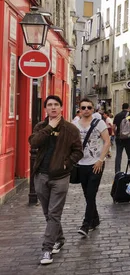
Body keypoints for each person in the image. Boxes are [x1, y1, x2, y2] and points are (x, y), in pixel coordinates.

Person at [29, 95, 83, 265]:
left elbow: (78, 151)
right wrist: (49, 128)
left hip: (60, 177)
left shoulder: (70, 129)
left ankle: (47, 249)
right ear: (45, 108)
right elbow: (34, 143)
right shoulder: (41, 126)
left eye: (56, 105)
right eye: (50, 105)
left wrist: (67, 164)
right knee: (47, 213)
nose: (53, 108)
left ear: (61, 108)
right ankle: (59, 238)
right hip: (41, 176)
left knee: (54, 213)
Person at [72, 98, 111, 237]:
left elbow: (107, 141)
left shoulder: (99, 123)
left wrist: (101, 160)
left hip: (96, 163)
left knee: (91, 193)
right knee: (87, 194)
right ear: (79, 110)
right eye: (83, 107)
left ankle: (86, 224)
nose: (86, 110)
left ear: (93, 109)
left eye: (89, 107)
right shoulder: (74, 124)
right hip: (81, 164)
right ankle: (95, 220)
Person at [113, 103, 130, 174]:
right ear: (128, 108)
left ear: (122, 108)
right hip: (128, 138)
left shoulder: (117, 116)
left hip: (119, 137)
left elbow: (113, 127)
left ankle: (117, 171)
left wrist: (116, 134)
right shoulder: (129, 115)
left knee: (118, 155)